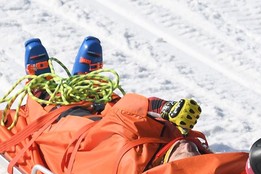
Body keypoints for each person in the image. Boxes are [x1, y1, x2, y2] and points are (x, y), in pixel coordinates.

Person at [24, 36, 206, 165]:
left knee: (81, 124)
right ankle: (88, 93)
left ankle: (46, 99)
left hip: (108, 144)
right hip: (153, 149)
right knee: (117, 115)